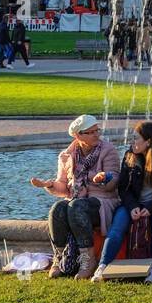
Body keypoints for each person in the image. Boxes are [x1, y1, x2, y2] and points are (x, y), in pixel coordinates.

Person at [93, 120, 152, 284]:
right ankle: (102, 267)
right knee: (117, 226)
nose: (132, 142)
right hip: (133, 204)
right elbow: (123, 188)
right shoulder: (130, 155)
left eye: (136, 138)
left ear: (148, 141)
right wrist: (132, 206)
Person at [30, 114, 121, 279]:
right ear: (78, 135)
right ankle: (60, 257)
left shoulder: (108, 150)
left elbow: (114, 182)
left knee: (75, 206)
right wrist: (48, 185)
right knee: (57, 208)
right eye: (91, 132)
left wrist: (102, 178)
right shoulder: (66, 155)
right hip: (76, 200)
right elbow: (63, 187)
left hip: (102, 201)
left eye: (97, 130)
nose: (96, 134)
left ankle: (88, 259)